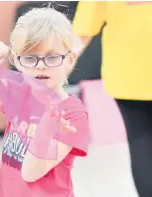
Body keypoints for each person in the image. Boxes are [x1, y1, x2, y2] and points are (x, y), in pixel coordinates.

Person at [0, 7, 90, 197]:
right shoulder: (20, 93)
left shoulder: (72, 114)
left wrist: (44, 132)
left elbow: (30, 173)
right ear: (17, 61)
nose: (40, 65)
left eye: (52, 57)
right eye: (30, 58)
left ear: (70, 60)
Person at [72, 2, 152, 197]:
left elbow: (82, 30)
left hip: (128, 74)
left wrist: (54, 69)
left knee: (141, 143)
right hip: (127, 76)